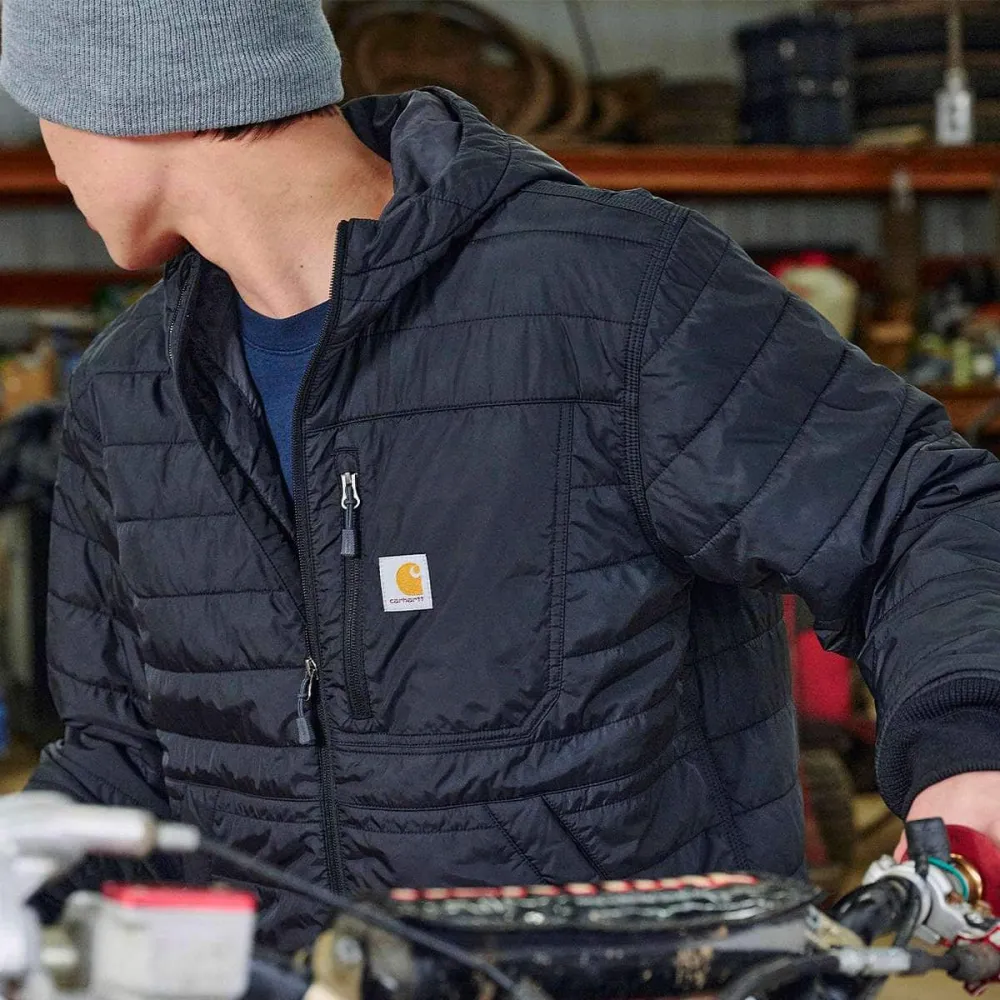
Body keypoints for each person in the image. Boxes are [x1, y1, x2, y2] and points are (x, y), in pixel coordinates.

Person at [2, 0, 999, 955]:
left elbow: (919, 511)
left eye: (44, 106)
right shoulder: (131, 395)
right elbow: (127, 755)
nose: (52, 149)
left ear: (121, 93)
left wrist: (970, 745)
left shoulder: (607, 297)